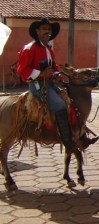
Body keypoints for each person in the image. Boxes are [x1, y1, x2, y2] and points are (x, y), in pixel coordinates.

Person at [17, 18, 76, 150]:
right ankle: (67, 141)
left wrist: (57, 74)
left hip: (50, 84)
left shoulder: (49, 49)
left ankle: (75, 132)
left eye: (49, 29)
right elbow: (22, 70)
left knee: (70, 100)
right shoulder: (29, 48)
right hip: (37, 86)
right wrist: (42, 74)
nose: (47, 32)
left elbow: (53, 67)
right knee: (60, 105)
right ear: (37, 31)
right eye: (44, 29)